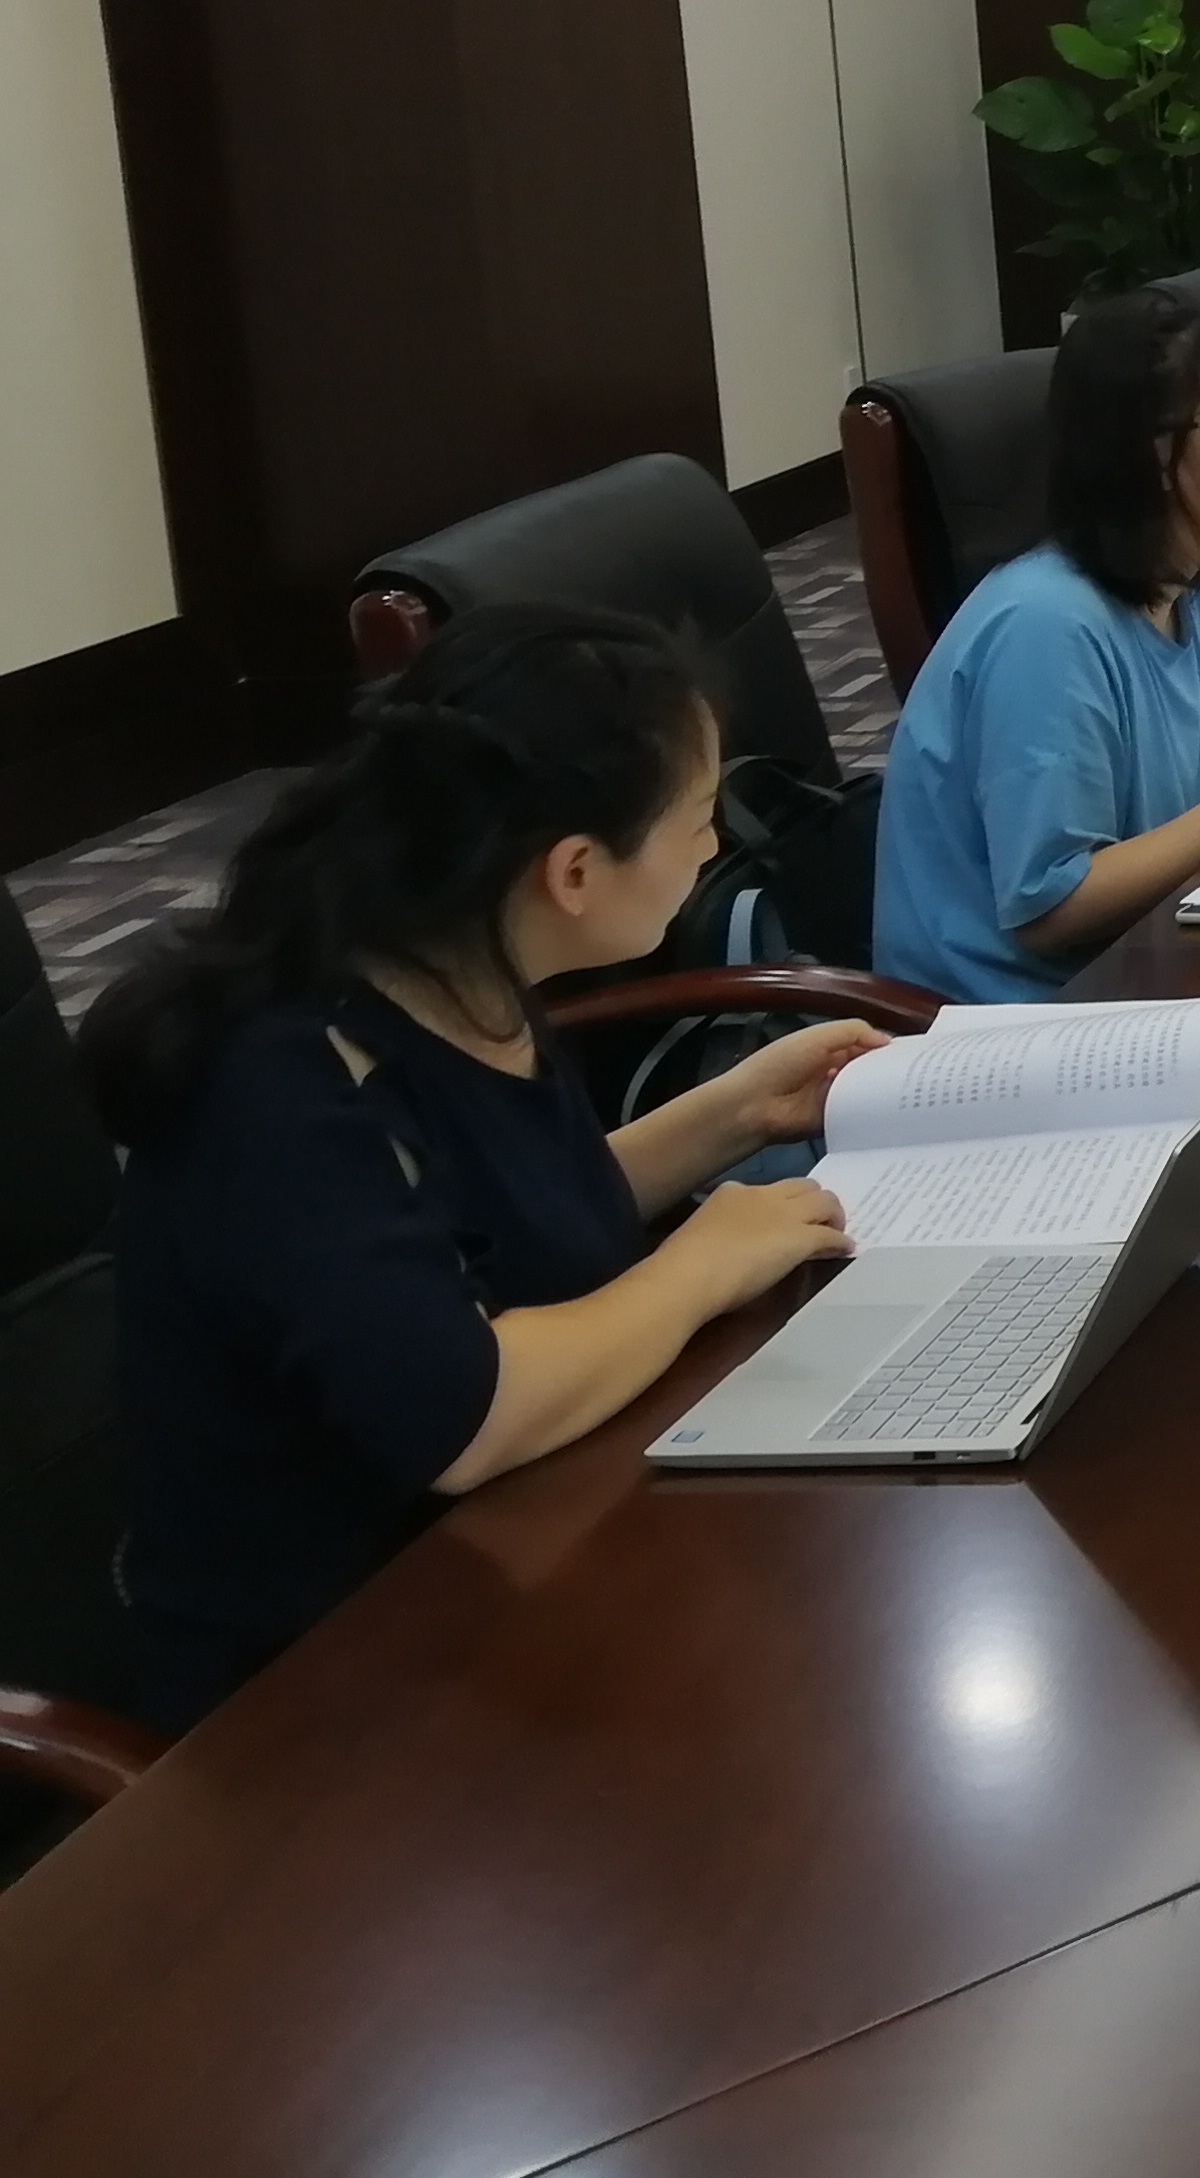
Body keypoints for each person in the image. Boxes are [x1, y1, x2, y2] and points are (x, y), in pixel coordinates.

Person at [79, 608, 880, 1726]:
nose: (713, 850)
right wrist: (699, 1265)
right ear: (574, 870)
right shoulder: (282, 1084)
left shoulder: (460, 960)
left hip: (503, 1550)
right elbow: (464, 1414)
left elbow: (505, 1222)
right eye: (699, 822)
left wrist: (739, 1112)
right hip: (319, 1683)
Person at [874, 285, 1200, 1005]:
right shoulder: (1046, 627)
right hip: (1015, 1021)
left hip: (1157, 967)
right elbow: (1050, 910)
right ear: (1156, 452)